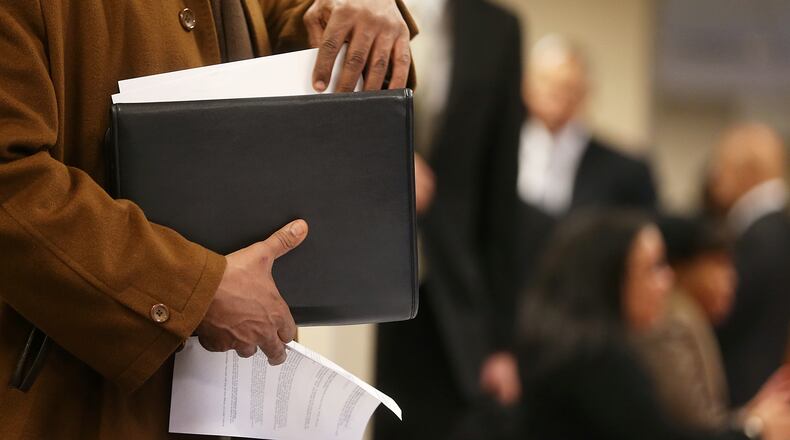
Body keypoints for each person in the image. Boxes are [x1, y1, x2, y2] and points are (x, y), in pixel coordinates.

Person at [0, 1, 418, 438]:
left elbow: (298, 26)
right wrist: (193, 288)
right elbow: (10, 179)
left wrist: (366, 12)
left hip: (233, 398)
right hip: (73, 401)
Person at [374, 0, 524, 438]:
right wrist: (392, 161)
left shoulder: (497, 29)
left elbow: (499, 191)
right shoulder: (357, 4)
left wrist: (501, 342)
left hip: (451, 290)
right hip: (365, 279)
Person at [515, 210, 790, 440]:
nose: (668, 280)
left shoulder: (570, 342)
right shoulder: (597, 358)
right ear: (612, 278)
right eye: (654, 268)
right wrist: (754, 429)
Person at [635, 216, 790, 432]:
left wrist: (754, 414)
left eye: (730, 266)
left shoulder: (690, 317)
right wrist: (756, 423)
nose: (730, 279)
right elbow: (695, 427)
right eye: (718, 264)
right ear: (681, 269)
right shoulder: (673, 322)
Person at [707, 123, 790, 406]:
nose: (714, 176)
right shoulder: (774, 228)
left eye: (722, 165)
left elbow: (730, 314)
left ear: (748, 171)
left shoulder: (760, 235)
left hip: (748, 391)